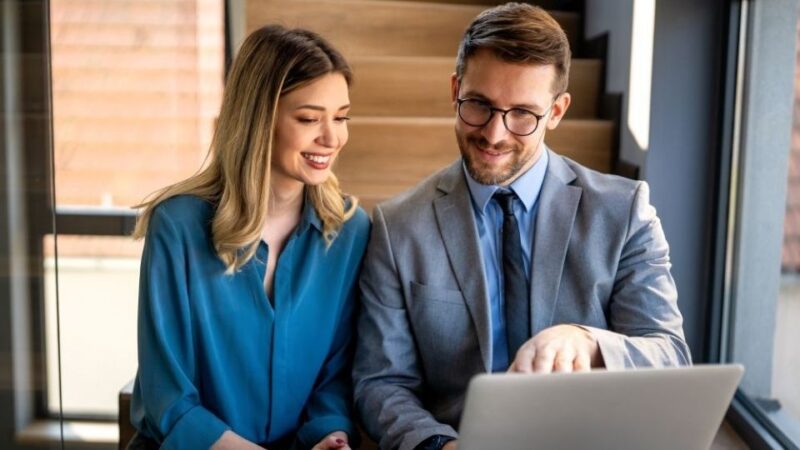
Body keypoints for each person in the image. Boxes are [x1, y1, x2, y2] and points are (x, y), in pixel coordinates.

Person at [352, 3, 691, 450]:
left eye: (523, 115)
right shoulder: (398, 228)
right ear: (455, 89)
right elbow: (381, 383)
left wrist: (587, 341)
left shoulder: (624, 211)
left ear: (557, 111)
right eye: (479, 105)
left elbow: (669, 355)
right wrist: (439, 446)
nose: (494, 134)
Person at [127, 25, 370, 450]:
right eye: (310, 118)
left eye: (342, 117)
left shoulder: (349, 231)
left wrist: (330, 434)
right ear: (260, 118)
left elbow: (335, 374)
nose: (332, 138)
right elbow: (168, 397)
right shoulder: (178, 226)